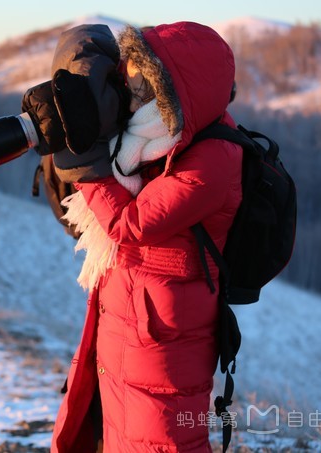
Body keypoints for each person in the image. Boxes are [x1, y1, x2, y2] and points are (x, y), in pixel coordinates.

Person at [50, 22, 242, 452]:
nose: (129, 91)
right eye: (127, 75)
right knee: (118, 434)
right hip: (130, 309)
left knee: (163, 440)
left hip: (166, 334)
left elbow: (128, 224)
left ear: (172, 91)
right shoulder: (154, 137)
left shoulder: (213, 160)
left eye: (140, 82)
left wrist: (83, 162)